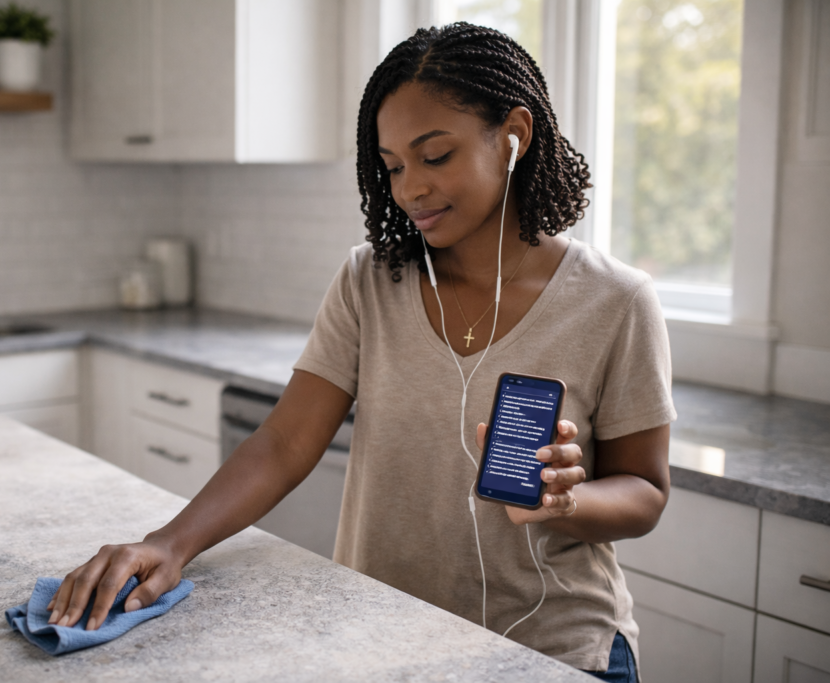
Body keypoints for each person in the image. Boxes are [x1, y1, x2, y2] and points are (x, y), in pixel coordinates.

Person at [47, 23, 675, 682]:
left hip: (557, 651)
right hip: (387, 640)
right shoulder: (371, 281)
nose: (410, 190)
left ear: (514, 134)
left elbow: (646, 490)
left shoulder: (616, 300)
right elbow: (286, 441)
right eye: (394, 165)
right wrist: (168, 543)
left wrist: (568, 500)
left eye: (435, 156)